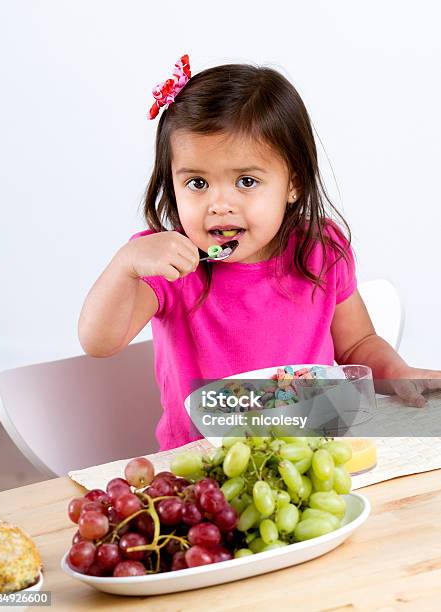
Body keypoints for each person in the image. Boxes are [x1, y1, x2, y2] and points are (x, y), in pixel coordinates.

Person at [78, 54, 441, 451]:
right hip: (205, 467)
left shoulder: (320, 250)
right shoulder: (169, 264)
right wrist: (124, 266)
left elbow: (357, 345)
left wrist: (397, 372)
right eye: (197, 183)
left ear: (293, 184)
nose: (219, 204)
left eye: (246, 181)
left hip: (311, 454)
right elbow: (99, 342)